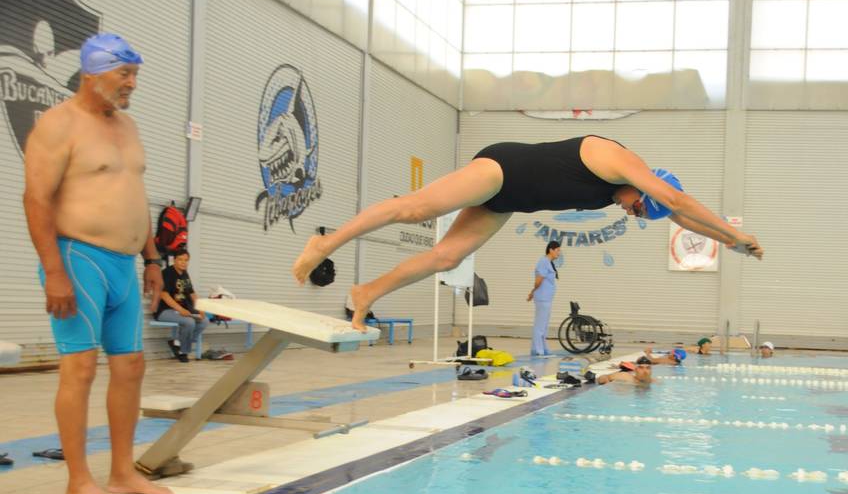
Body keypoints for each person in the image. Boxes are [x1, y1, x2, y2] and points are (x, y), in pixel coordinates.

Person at [293, 136, 764, 330]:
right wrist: (734, 231)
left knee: (447, 257)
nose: (630, 212)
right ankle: (325, 244)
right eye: (637, 207)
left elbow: (677, 216)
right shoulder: (620, 160)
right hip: (500, 170)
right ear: (645, 187)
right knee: (417, 209)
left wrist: (728, 243)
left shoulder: (629, 192)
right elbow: (678, 202)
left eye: (639, 214)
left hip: (508, 201)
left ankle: (366, 293)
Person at [22, 33, 173, 494]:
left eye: (135, 75)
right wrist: (54, 272)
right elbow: (36, 199)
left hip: (124, 264)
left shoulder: (127, 126)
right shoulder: (58, 124)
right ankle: (78, 483)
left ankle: (123, 472)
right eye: (124, 74)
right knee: (81, 367)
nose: (132, 84)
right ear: (92, 74)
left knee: (130, 365)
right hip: (77, 258)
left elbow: (134, 195)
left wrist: (152, 259)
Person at [155, 250, 207, 362]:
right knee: (189, 322)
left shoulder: (184, 274)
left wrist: (200, 309)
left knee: (204, 321)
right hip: (165, 311)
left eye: (186, 260)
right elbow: (164, 295)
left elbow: (192, 293)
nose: (183, 262)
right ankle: (183, 351)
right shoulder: (167, 273)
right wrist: (180, 309)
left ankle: (177, 342)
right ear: (174, 260)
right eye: (180, 259)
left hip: (181, 310)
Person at [527, 240, 561, 356]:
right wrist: (533, 292)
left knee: (544, 325)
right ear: (551, 250)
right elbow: (538, 281)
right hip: (542, 297)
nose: (559, 253)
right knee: (540, 325)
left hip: (546, 297)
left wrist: (532, 292)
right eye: (557, 250)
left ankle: (542, 348)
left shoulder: (548, 262)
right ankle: (538, 350)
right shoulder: (543, 262)